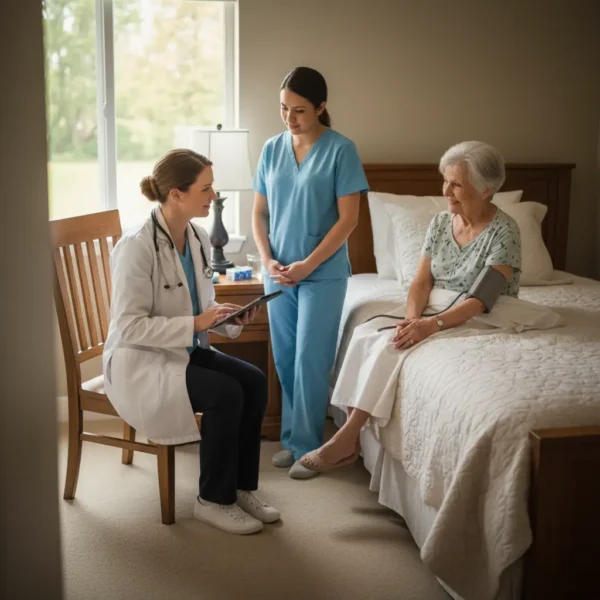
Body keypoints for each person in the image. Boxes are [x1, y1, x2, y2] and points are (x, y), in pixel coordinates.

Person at [299, 141, 522, 472]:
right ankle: (351, 435)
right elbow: (420, 282)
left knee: (393, 346)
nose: (446, 190)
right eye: (445, 180)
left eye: (457, 184)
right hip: (435, 305)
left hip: (481, 312)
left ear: (486, 189)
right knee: (365, 334)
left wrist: (430, 326)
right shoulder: (440, 224)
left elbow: (482, 299)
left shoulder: (505, 231)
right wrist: (413, 318)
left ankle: (345, 438)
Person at [103, 149, 280, 534]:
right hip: (143, 362)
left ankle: (240, 486)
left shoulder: (196, 236)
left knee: (254, 381)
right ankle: (212, 500)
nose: (213, 195)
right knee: (225, 393)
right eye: (206, 187)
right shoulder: (136, 246)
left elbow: (201, 304)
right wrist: (195, 322)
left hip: (184, 350)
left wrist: (226, 319)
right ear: (176, 194)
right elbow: (129, 327)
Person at [252, 67, 369, 479]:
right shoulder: (271, 149)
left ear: (321, 107)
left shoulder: (341, 150)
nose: (289, 118)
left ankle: (308, 446)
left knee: (310, 358)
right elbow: (260, 213)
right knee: (284, 359)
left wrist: (307, 265)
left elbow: (348, 221)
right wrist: (267, 261)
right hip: (279, 273)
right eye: (283, 109)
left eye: (299, 110)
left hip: (322, 274)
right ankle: (292, 440)